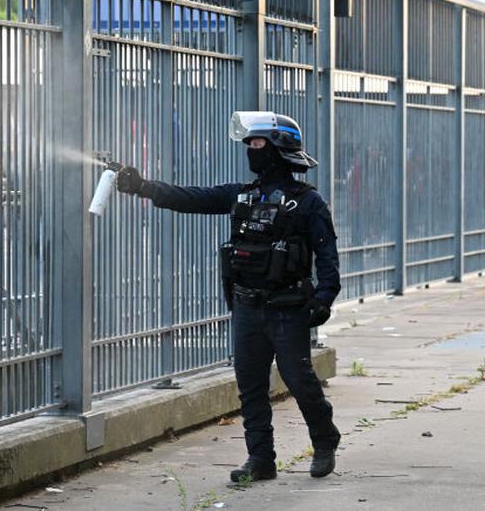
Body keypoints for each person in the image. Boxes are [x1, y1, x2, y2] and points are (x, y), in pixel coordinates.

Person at [115, 111, 341, 482]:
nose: (249, 150)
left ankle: (324, 439)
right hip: (247, 306)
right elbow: (193, 198)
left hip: (286, 308)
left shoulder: (307, 202)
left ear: (278, 147)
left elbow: (326, 254)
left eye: (256, 143)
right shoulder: (243, 195)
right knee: (250, 385)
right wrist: (143, 187)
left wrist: (324, 297)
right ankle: (261, 459)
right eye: (248, 143)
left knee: (299, 379)